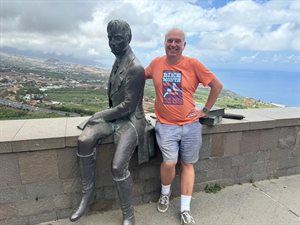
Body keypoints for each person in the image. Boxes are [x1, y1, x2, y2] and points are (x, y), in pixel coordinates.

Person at [69, 19, 146, 225]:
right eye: (110, 38)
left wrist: (98, 115)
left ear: (128, 39)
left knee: (118, 166)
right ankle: (87, 196)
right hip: (114, 118)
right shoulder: (118, 59)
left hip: (130, 120)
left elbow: (128, 106)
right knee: (84, 139)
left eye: (118, 39)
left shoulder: (136, 67)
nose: (112, 43)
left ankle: (128, 214)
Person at [145, 28, 223, 225]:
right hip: (166, 124)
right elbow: (137, 77)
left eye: (177, 41)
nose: (173, 44)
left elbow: (217, 85)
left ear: (184, 45)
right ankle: (165, 193)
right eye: (169, 41)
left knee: (188, 164)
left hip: (190, 125)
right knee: (169, 162)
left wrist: (204, 110)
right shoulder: (156, 63)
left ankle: (185, 209)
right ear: (164, 43)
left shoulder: (193, 64)